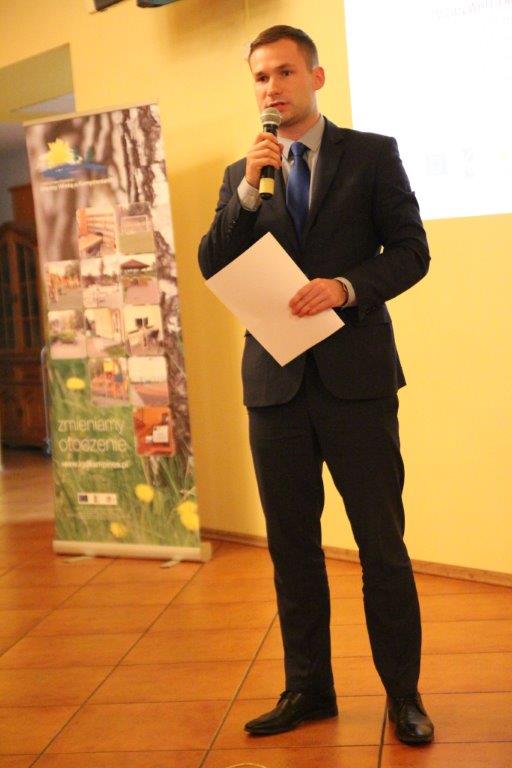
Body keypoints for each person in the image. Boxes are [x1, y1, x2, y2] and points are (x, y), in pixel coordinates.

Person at [198, 25, 434, 745]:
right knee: (292, 550)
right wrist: (246, 190)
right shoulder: (244, 175)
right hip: (275, 387)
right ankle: (308, 689)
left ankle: (403, 695)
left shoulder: (372, 155)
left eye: (284, 72)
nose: (271, 88)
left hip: (356, 383)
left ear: (316, 77)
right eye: (260, 77)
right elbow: (213, 261)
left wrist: (346, 286)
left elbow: (412, 252)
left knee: (381, 547)